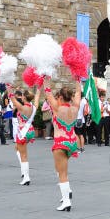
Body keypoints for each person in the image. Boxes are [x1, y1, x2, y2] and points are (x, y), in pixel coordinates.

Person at [43, 84, 82, 212]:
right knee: (60, 168)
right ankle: (67, 191)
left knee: (62, 173)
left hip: (61, 142)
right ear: (70, 97)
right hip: (72, 142)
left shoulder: (57, 108)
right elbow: (78, 93)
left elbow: (48, 92)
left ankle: (66, 201)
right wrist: (78, 80)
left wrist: (45, 79)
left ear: (60, 96)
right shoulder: (75, 107)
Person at [8, 87, 39, 186]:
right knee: (17, 148)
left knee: (23, 156)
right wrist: (39, 87)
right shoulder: (33, 106)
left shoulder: (21, 107)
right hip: (30, 131)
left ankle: (26, 177)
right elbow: (37, 96)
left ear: (24, 97)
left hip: (22, 132)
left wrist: (8, 87)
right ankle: (24, 172)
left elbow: (12, 98)